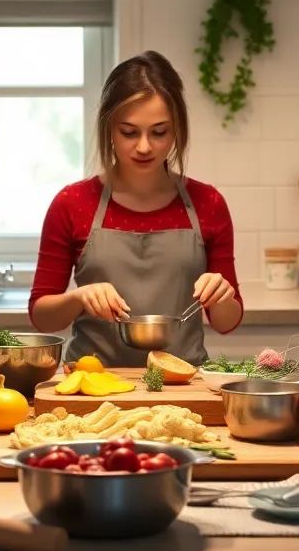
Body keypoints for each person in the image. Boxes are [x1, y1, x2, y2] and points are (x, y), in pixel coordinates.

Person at [29, 50, 242, 366]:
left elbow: (226, 321)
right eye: (129, 132)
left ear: (177, 130)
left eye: (159, 132)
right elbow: (42, 318)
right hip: (93, 383)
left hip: (182, 385)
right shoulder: (72, 203)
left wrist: (222, 294)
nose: (144, 146)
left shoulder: (207, 203)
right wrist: (77, 298)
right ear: (109, 129)